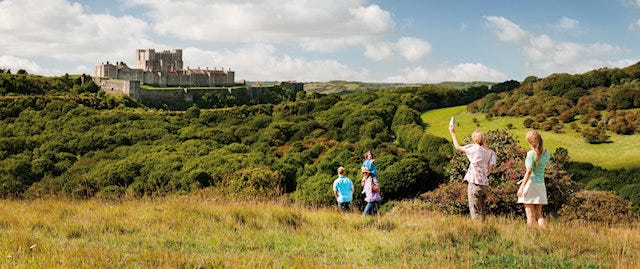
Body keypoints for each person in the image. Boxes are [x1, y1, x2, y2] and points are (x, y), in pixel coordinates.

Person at [449, 125, 497, 221]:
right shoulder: (491, 152)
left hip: (474, 184)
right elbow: (491, 168)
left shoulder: (473, 148)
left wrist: (452, 133)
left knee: (475, 213)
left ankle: (477, 233)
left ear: (474, 139)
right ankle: (485, 232)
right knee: (482, 211)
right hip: (484, 185)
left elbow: (458, 147)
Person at [517, 130, 551, 229]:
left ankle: (529, 235)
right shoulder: (547, 153)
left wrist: (521, 187)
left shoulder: (531, 154)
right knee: (538, 214)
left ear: (530, 142)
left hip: (530, 184)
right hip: (540, 185)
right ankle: (546, 233)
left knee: (530, 215)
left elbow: (529, 172)